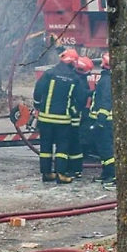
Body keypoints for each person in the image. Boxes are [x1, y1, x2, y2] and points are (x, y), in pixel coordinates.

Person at [33, 48, 80, 184]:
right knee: (62, 147)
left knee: (46, 146)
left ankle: (47, 173)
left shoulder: (49, 73)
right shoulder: (75, 78)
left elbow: (38, 90)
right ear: (73, 63)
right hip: (63, 120)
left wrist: (37, 106)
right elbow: (77, 99)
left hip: (45, 118)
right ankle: (61, 174)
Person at [91, 53, 115, 189]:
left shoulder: (106, 80)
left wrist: (100, 120)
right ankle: (106, 173)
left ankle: (112, 174)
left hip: (104, 121)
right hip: (106, 120)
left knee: (106, 148)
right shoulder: (108, 78)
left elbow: (105, 101)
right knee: (103, 148)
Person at [69, 56, 94, 178]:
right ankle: (73, 168)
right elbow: (82, 94)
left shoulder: (74, 77)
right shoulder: (78, 80)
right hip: (75, 114)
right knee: (75, 140)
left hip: (76, 113)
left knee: (73, 140)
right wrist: (95, 92)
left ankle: (72, 168)